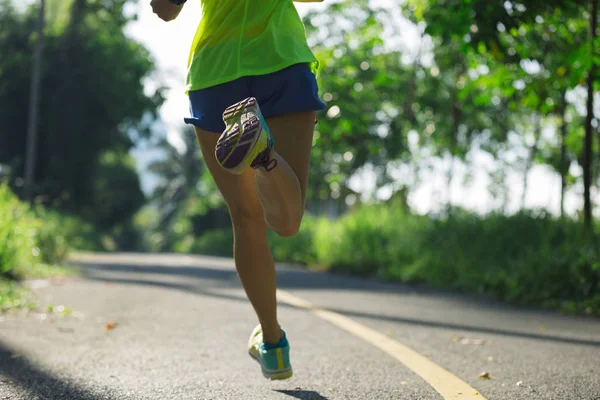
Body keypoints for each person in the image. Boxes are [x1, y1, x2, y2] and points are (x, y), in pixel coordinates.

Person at [150, 0, 325, 381]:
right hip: (281, 59)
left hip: (218, 70)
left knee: (247, 219)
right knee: (287, 221)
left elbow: (165, 9)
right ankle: (265, 157)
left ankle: (274, 344)